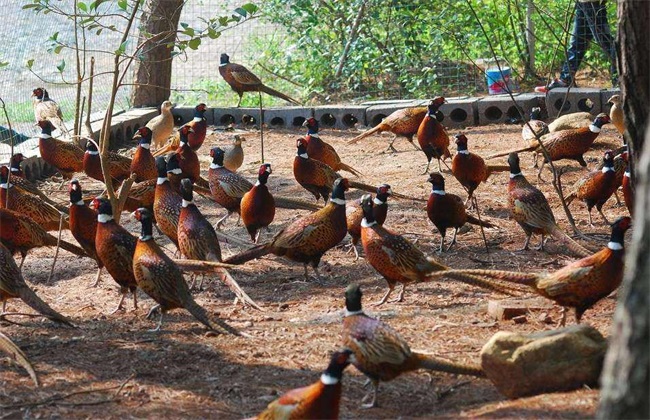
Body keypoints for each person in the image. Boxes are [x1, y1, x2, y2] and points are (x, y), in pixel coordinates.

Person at [538, 0, 617, 92]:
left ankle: (620, 78)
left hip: (593, 3)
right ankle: (565, 80)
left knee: (606, 43)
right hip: (581, 3)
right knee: (576, 43)